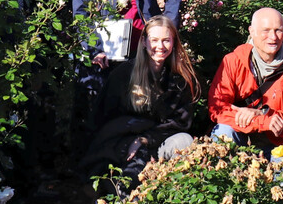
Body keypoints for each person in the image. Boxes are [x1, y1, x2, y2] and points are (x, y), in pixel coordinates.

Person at [82, 16, 198, 193]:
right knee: (130, 168)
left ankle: (174, 194)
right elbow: (103, 118)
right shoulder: (123, 75)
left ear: (174, 42)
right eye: (154, 40)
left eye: (166, 40)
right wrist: (131, 140)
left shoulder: (180, 80)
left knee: (185, 141)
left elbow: (181, 123)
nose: (160, 46)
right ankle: (121, 191)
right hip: (123, 142)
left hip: (158, 141)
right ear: (144, 42)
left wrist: (145, 139)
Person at [208, 8, 283, 168]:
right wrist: (262, 120)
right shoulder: (233, 61)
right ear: (252, 31)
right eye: (266, 31)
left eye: (278, 30)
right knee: (223, 133)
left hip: (275, 143)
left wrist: (263, 113)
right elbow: (218, 109)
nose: (273, 37)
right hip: (238, 134)